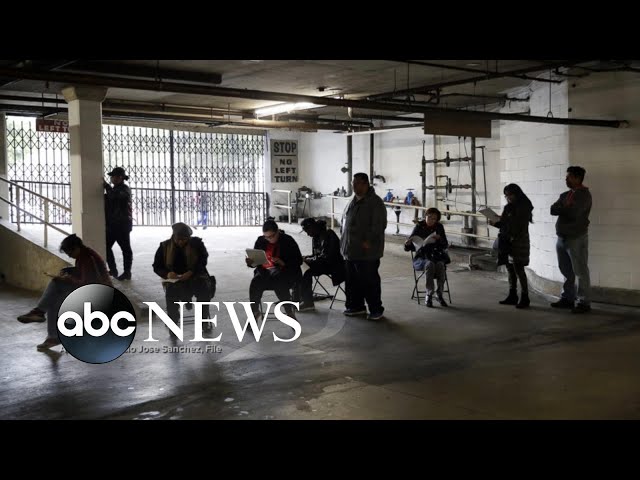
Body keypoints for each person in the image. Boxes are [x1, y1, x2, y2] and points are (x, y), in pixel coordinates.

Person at [17, 234, 113, 350]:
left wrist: (67, 279)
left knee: (56, 284)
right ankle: (51, 335)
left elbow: (87, 283)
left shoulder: (88, 258)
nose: (69, 256)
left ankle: (40, 314)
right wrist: (68, 271)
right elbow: (84, 273)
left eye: (69, 253)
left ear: (76, 247)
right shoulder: (83, 255)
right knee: (54, 298)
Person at [340, 172, 388, 320]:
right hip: (350, 250)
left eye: (357, 183)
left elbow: (379, 225)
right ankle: (356, 307)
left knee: (369, 282)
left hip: (367, 252)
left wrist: (368, 241)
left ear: (366, 184)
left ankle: (376, 309)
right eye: (353, 184)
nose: (354, 186)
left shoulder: (375, 203)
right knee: (352, 282)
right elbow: (344, 222)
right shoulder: (352, 201)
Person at [152, 223, 215, 326]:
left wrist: (191, 272)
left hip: (194, 276)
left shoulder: (197, 244)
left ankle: (203, 320)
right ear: (173, 237)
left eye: (184, 239)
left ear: (188, 238)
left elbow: (202, 261)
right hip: (174, 279)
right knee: (171, 293)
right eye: (178, 239)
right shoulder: (165, 246)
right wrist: (167, 274)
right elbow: (156, 266)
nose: (181, 242)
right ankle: (173, 321)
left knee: (204, 289)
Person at [550, 166, 592, 314]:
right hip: (562, 238)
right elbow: (552, 210)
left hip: (576, 238)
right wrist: (564, 206)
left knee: (580, 271)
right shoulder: (565, 194)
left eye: (568, 177)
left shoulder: (584, 195)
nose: (566, 179)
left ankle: (583, 302)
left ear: (577, 178)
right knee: (566, 270)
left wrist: (562, 208)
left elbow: (574, 213)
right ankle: (568, 298)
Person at [245, 219, 302, 320]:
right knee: (255, 283)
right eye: (266, 237)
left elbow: (298, 261)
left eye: (271, 236)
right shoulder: (261, 241)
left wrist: (282, 262)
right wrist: (251, 263)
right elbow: (256, 263)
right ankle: (255, 311)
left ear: (277, 232)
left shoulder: (288, 241)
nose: (269, 239)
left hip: (285, 273)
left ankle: (289, 312)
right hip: (265, 272)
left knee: (279, 282)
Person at [489, 184, 534, 309]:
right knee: (510, 268)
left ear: (517, 194)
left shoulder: (524, 206)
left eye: (510, 195)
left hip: (519, 241)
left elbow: (517, 226)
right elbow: (505, 224)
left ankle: (525, 297)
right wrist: (495, 222)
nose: (508, 198)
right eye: (506, 195)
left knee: (519, 268)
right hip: (507, 240)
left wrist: (502, 222)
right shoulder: (508, 207)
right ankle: (512, 294)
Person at [297, 217, 345, 311]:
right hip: (321, 263)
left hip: (333, 266)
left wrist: (309, 260)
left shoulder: (329, 234)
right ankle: (300, 298)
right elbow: (316, 255)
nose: (308, 234)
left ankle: (308, 302)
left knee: (306, 271)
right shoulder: (315, 236)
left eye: (308, 231)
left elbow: (329, 257)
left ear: (313, 227)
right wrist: (306, 258)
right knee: (299, 267)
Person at [404, 207, 449, 307]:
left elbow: (445, 244)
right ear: (425, 216)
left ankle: (439, 294)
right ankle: (429, 294)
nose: (431, 220)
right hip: (422, 257)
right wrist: (407, 244)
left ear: (437, 220)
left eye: (434, 219)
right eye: (429, 217)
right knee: (430, 264)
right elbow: (409, 246)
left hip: (436, 255)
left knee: (441, 265)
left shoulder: (439, 227)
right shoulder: (419, 227)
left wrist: (439, 239)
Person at [104, 167, 133, 281]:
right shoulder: (114, 189)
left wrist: (107, 187)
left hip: (122, 225)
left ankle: (127, 272)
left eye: (116, 176)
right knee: (106, 247)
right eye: (112, 176)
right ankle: (113, 270)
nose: (113, 178)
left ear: (121, 178)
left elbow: (115, 196)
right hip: (112, 225)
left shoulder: (125, 189)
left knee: (126, 250)